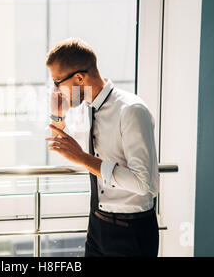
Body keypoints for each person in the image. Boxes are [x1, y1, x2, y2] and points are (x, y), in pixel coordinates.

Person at [45, 38, 160, 257]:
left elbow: (143, 183)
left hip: (131, 231)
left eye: (58, 82)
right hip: (97, 225)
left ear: (79, 77)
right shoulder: (82, 109)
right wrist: (57, 117)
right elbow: (60, 149)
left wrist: (82, 158)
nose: (56, 89)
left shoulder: (131, 110)